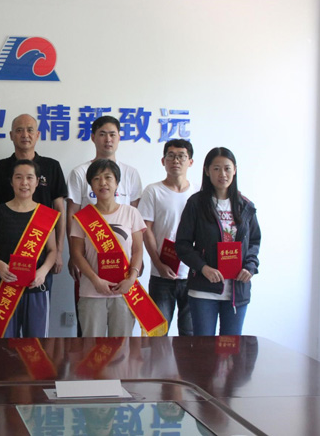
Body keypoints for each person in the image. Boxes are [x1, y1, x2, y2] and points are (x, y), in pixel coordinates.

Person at [66, 115, 143, 332]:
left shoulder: (131, 184)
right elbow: (71, 215)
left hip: (124, 280)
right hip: (91, 279)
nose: (103, 183)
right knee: (91, 344)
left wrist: (134, 272)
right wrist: (77, 261)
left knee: (122, 345)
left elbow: (138, 246)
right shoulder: (79, 175)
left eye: (112, 134)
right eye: (102, 134)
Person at [175, 147, 261, 336]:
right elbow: (182, 244)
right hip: (204, 289)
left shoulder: (246, 206)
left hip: (237, 289)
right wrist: (203, 267)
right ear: (207, 171)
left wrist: (250, 267)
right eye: (216, 168)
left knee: (231, 348)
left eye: (227, 168)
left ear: (235, 170)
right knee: (204, 348)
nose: (222, 174)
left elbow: (254, 241)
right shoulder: (196, 204)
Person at [0, 113, 67, 296]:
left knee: (37, 304)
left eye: (30, 130)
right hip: (5, 257)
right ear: (11, 135)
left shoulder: (52, 166)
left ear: (37, 135)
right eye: (19, 130)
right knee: (4, 307)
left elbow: (59, 210)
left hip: (41, 256)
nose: (25, 135)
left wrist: (58, 251)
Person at [0, 160, 58, 338]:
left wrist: (43, 271)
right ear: (11, 182)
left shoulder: (46, 214)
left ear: (37, 182)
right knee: (1, 344)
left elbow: (53, 250)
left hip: (36, 287)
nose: (24, 183)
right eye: (19, 177)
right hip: (3, 287)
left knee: (36, 345)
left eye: (30, 177)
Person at [138, 139, 197, 336]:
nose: (176, 161)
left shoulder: (198, 193)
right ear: (163, 161)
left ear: (190, 162)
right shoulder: (153, 191)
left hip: (192, 275)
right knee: (156, 335)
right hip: (161, 275)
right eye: (171, 156)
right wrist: (158, 264)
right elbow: (146, 230)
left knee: (190, 336)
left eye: (181, 156)